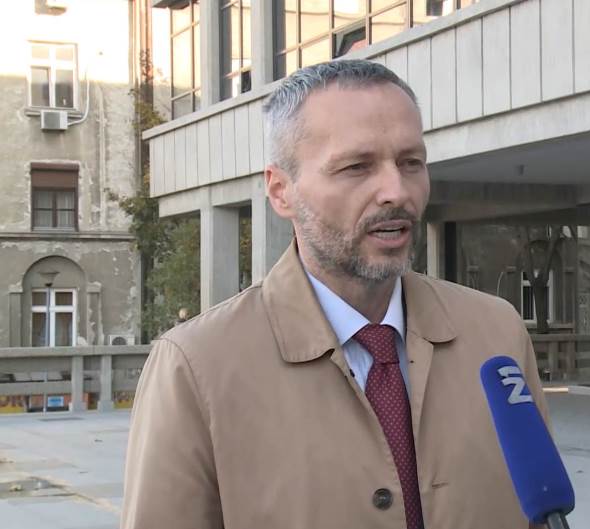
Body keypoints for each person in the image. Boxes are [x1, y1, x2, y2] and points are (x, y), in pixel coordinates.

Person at [121, 60, 548, 529]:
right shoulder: (195, 367)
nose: (396, 191)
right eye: (356, 167)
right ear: (281, 191)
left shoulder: (496, 334)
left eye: (411, 163)